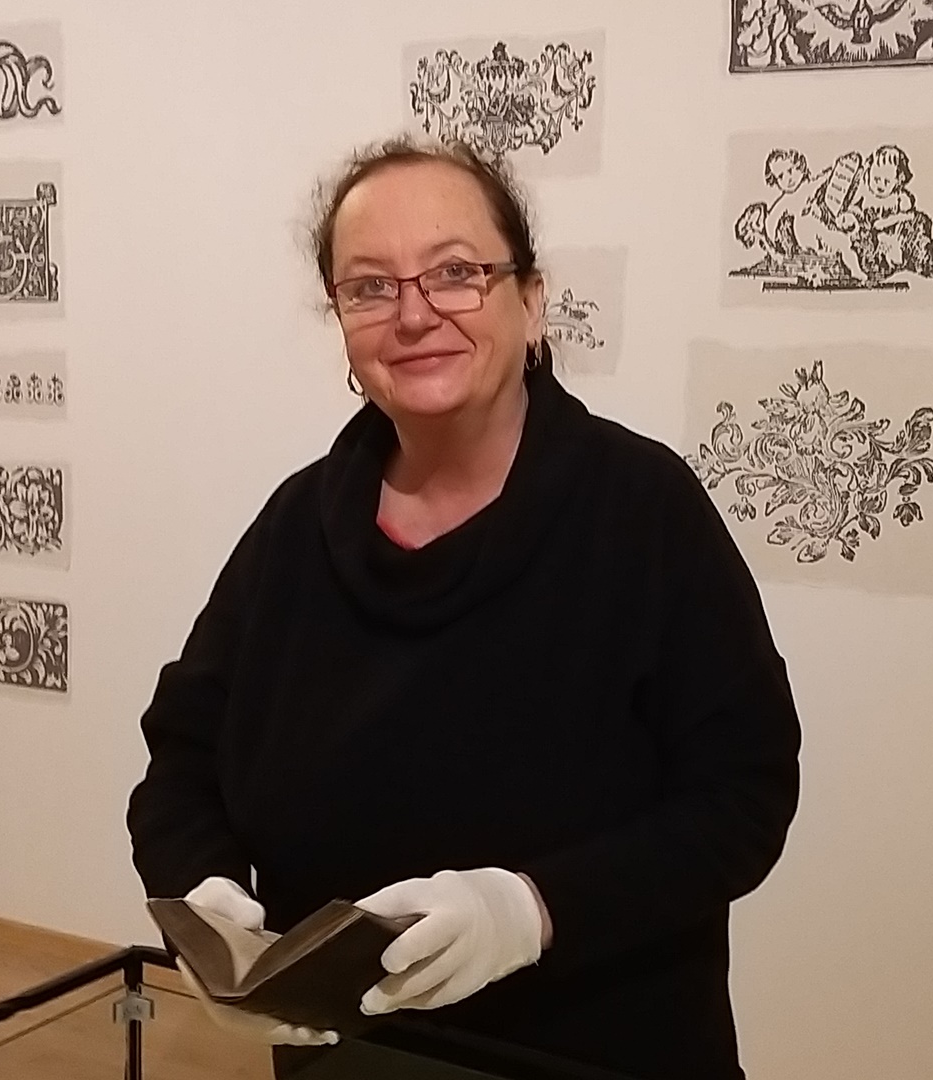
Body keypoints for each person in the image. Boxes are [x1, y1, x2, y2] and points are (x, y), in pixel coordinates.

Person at [126, 136, 801, 1080]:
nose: (414, 314)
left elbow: (744, 795)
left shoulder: (642, 512)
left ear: (531, 301)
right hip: (346, 1058)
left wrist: (529, 910)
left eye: (456, 273)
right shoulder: (296, 526)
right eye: (370, 287)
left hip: (598, 1055)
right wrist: (206, 903)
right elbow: (183, 758)